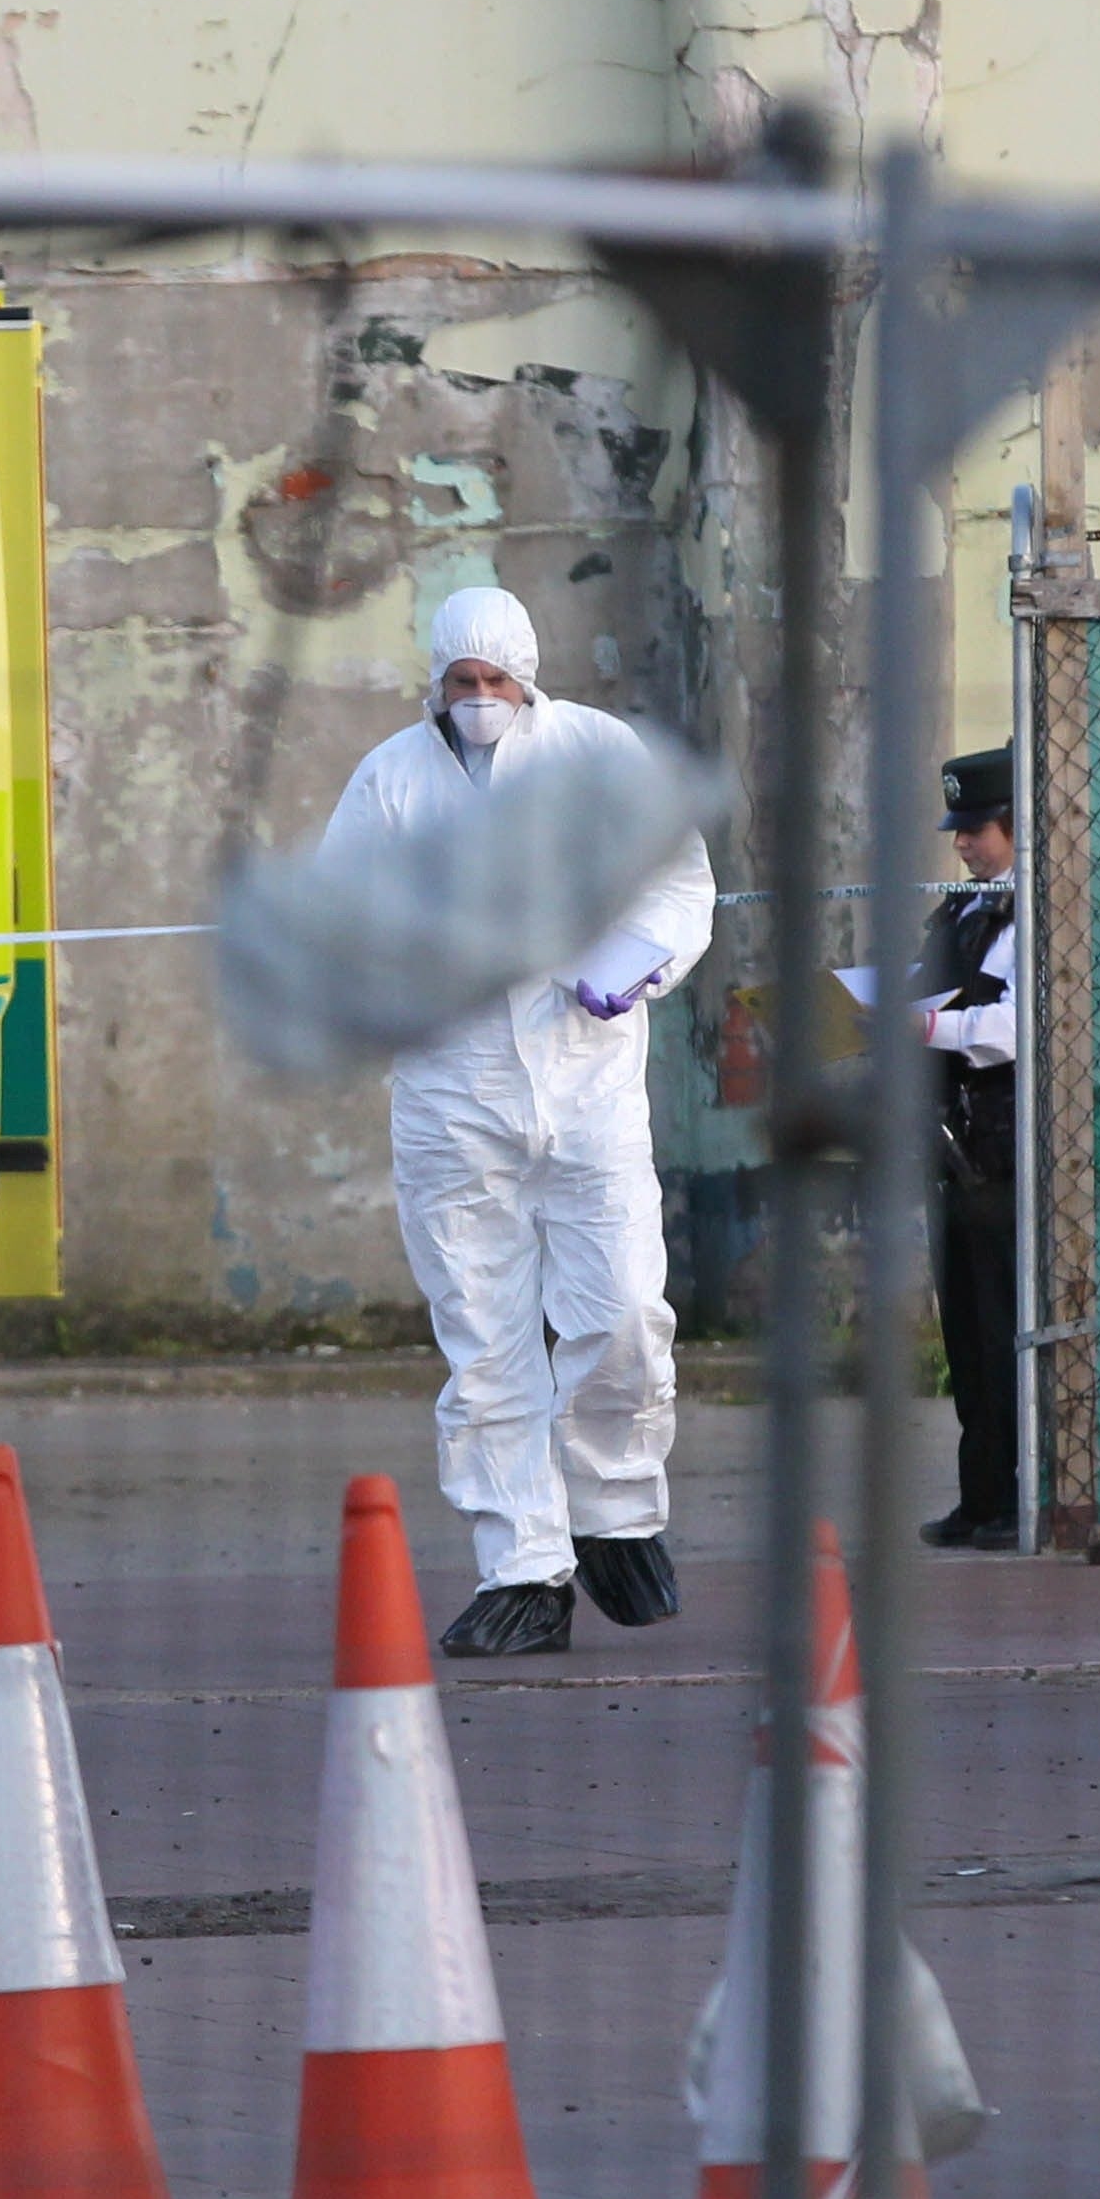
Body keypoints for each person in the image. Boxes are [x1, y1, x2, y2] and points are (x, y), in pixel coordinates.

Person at [315, 584, 715, 1659]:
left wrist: (638, 969)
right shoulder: (391, 779)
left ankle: (618, 1516)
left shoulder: (599, 756)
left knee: (623, 1311)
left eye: (496, 682)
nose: (480, 699)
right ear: (435, 682)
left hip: (586, 1083)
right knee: (485, 1342)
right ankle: (524, 1568)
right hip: (453, 1096)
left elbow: (678, 882)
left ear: (529, 676)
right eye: (462, 683)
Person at [918, 745, 1021, 1550]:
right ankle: (979, 1497)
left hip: (1005, 1148)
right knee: (966, 1333)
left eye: (976, 829)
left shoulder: (1034, 916)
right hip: (952, 1149)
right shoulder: (965, 908)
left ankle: (1015, 1496)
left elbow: (1014, 1029)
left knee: (1002, 1325)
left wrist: (925, 1026)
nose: (962, 845)